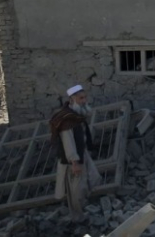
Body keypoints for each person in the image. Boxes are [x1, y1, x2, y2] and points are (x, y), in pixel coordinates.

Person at [49, 84, 101, 222]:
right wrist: (74, 162)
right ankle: (77, 217)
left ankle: (81, 212)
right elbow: (68, 143)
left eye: (85, 98)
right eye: (81, 98)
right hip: (73, 159)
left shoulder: (75, 116)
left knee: (89, 180)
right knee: (76, 190)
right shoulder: (67, 119)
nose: (84, 101)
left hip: (82, 154)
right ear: (72, 100)